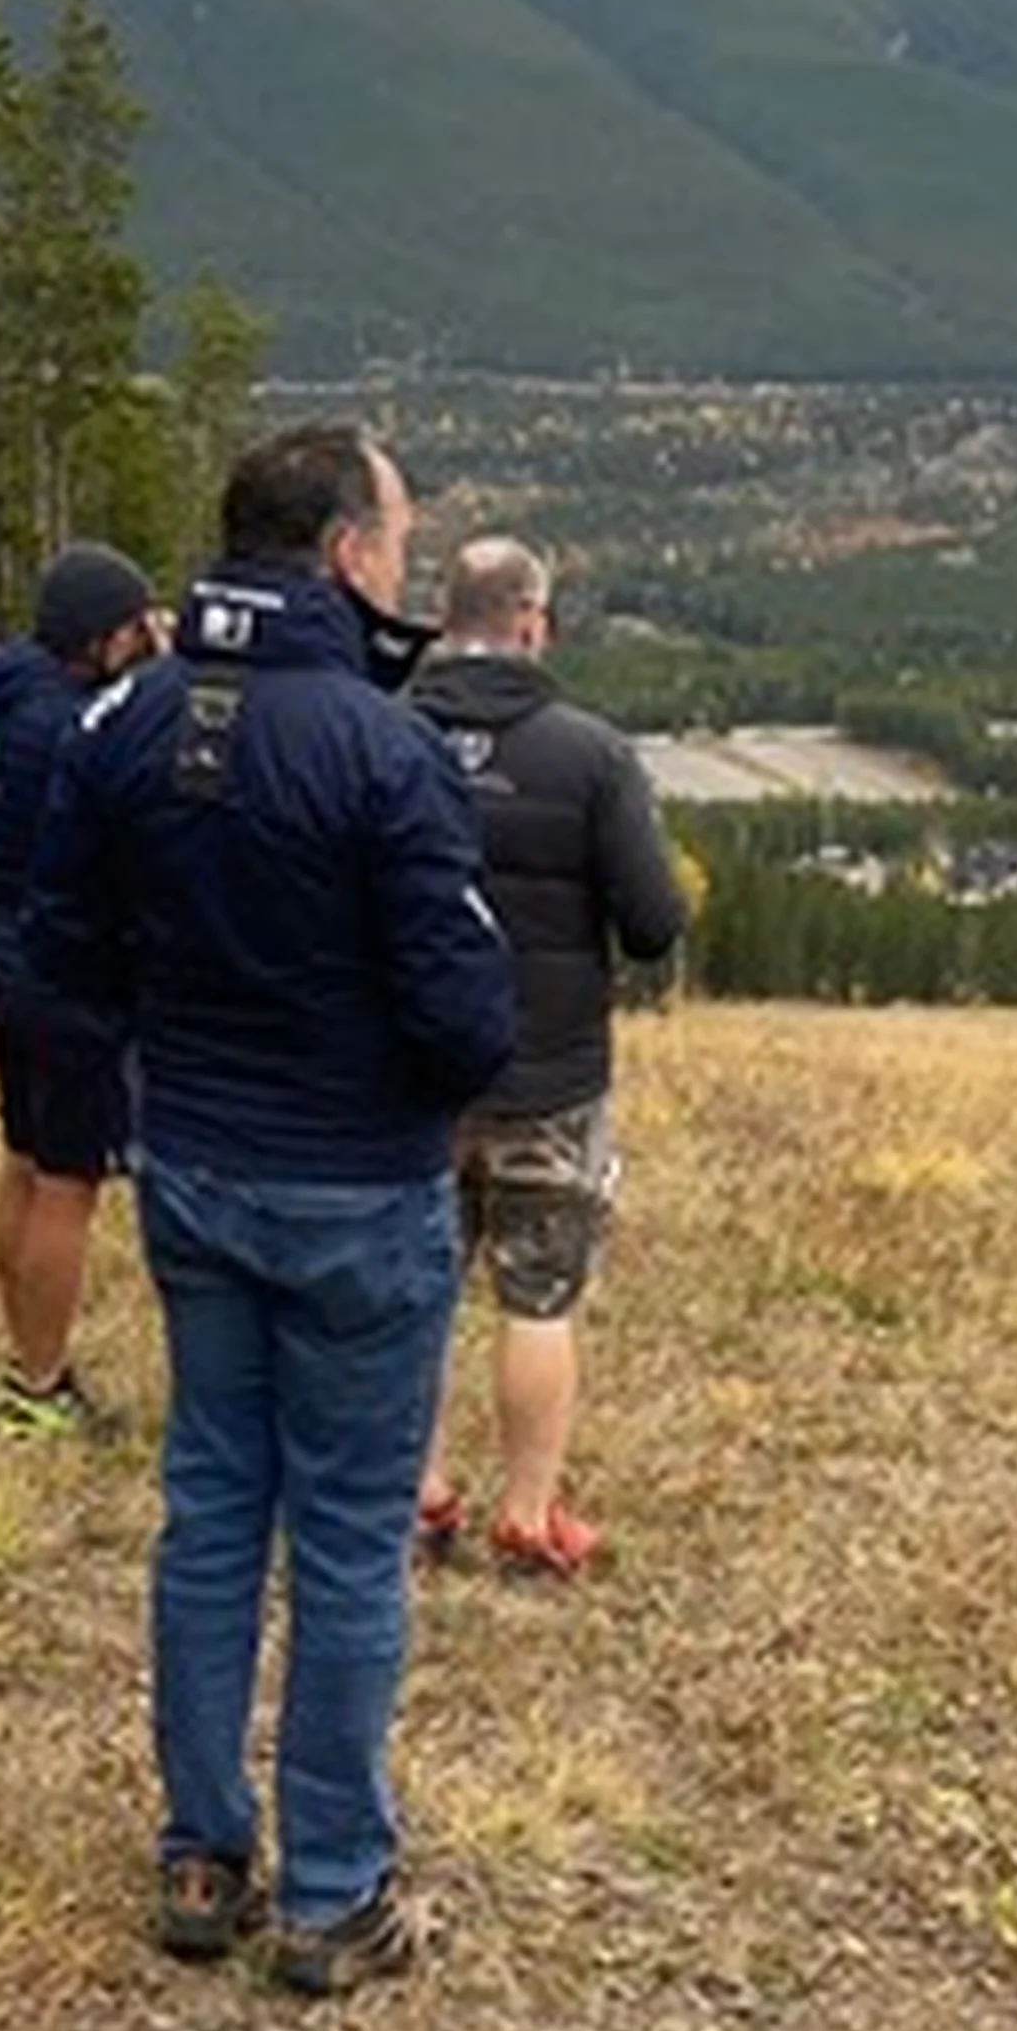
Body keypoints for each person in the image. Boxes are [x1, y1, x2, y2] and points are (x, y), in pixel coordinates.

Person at [25, 421, 517, 1995]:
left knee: (216, 1505)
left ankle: (200, 1848)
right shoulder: (382, 748)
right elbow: (465, 1019)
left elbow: (57, 943)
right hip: (359, 1181)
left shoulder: (125, 722)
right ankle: (332, 1889)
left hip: (195, 1166)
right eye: (400, 537)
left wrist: (161, 1054)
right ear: (347, 553)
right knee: (353, 1539)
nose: (405, 566)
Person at [410, 534, 688, 1578]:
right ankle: (528, 1516)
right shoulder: (592, 754)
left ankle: (415, 1495)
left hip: (411, 1072)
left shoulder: (383, 733)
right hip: (550, 1073)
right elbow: (654, 922)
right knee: (538, 1299)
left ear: (445, 619)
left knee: (415, 1296)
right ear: (532, 622)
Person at [0, 540, 165, 1437]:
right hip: (72, 971)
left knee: (25, 1153)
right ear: (104, 638)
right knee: (68, 1180)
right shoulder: (73, 731)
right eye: (135, 629)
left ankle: (26, 1353)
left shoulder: (4, 700)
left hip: (7, 947)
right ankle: (40, 1385)